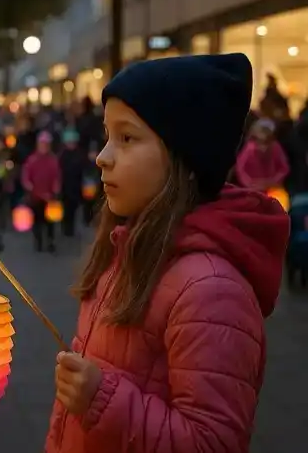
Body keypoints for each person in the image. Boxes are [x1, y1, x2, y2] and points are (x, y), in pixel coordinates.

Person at [45, 54, 288, 453]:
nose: (102, 156)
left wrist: (100, 399)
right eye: (107, 135)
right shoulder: (125, 249)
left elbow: (214, 442)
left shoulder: (211, 292)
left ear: (185, 159)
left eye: (127, 138)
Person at [22, 131, 60, 252]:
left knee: (50, 221)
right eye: (42, 144)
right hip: (36, 196)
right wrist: (28, 185)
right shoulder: (32, 160)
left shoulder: (53, 160)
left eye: (46, 144)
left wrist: (55, 189)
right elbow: (26, 175)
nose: (44, 146)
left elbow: (57, 176)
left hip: (49, 197)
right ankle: (38, 240)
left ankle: (50, 241)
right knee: (37, 220)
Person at [235, 118, 290, 191]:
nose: (263, 147)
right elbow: (240, 169)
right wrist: (249, 183)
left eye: (267, 142)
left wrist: (274, 181)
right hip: (253, 189)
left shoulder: (276, 147)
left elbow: (284, 168)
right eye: (260, 142)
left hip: (272, 188)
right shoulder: (249, 149)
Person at [58, 129, 87, 237]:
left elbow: (83, 170)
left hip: (76, 186)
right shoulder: (62, 155)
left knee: (73, 209)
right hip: (65, 186)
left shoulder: (79, 155)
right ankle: (66, 227)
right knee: (66, 209)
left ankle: (70, 228)